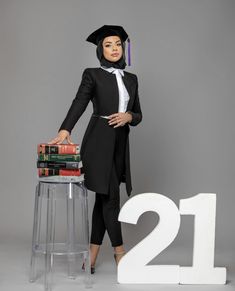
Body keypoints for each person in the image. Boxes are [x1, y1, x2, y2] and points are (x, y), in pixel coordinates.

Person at [48, 25, 142, 274]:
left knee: (103, 198)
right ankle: (120, 253)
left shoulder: (131, 79)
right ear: (101, 49)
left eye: (118, 44)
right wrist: (65, 129)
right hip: (98, 142)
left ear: (124, 48)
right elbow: (79, 101)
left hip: (120, 144)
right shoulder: (92, 74)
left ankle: (92, 253)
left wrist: (128, 116)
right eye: (108, 45)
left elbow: (139, 114)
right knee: (111, 197)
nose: (114, 49)